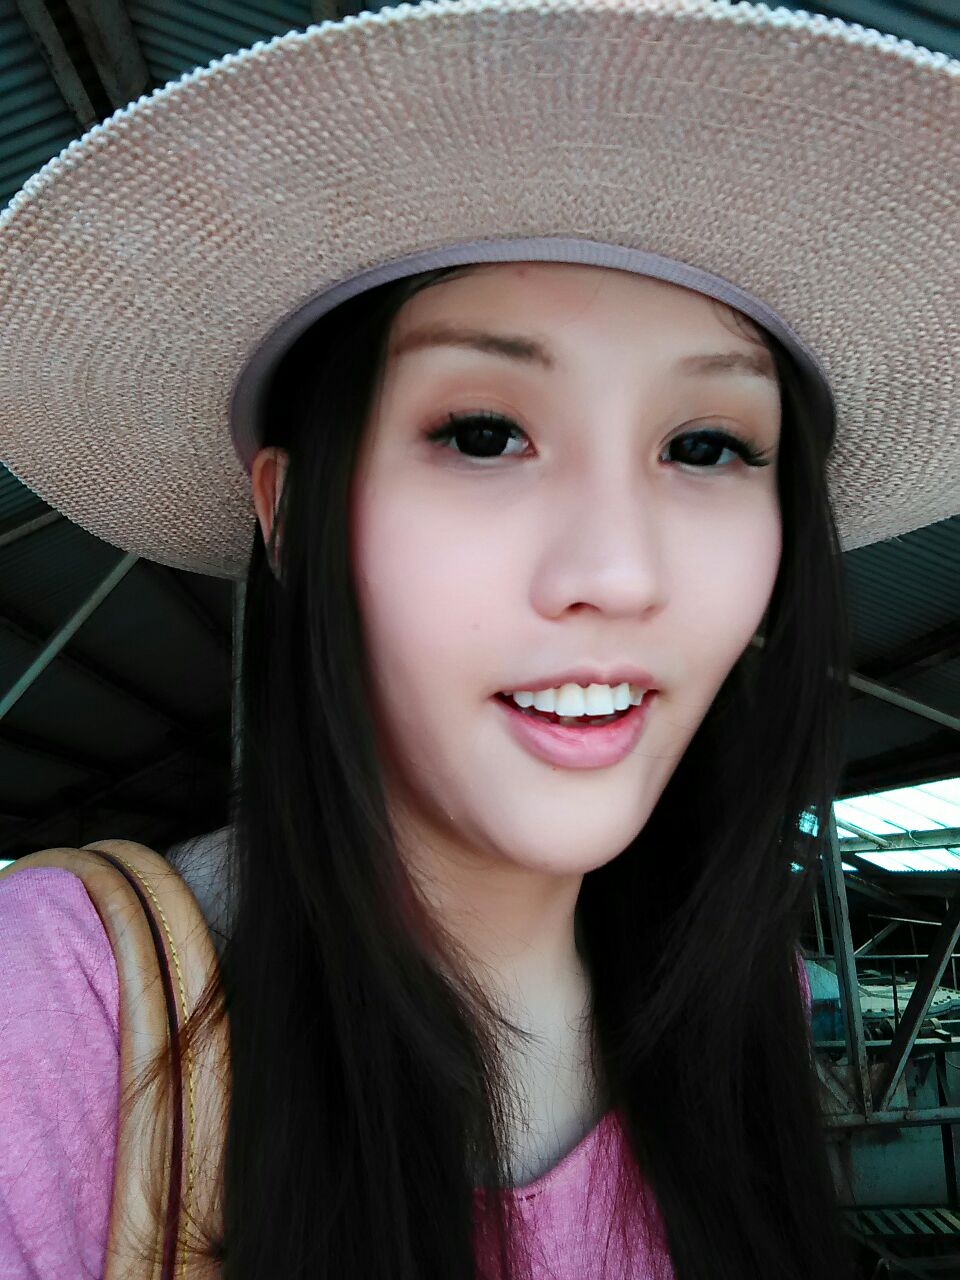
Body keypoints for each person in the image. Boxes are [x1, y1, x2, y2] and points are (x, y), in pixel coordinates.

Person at [0, 2, 956, 1278]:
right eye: (485, 433)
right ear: (290, 511)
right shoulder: (52, 1018)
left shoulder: (743, 1002)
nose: (617, 574)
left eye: (707, 444)